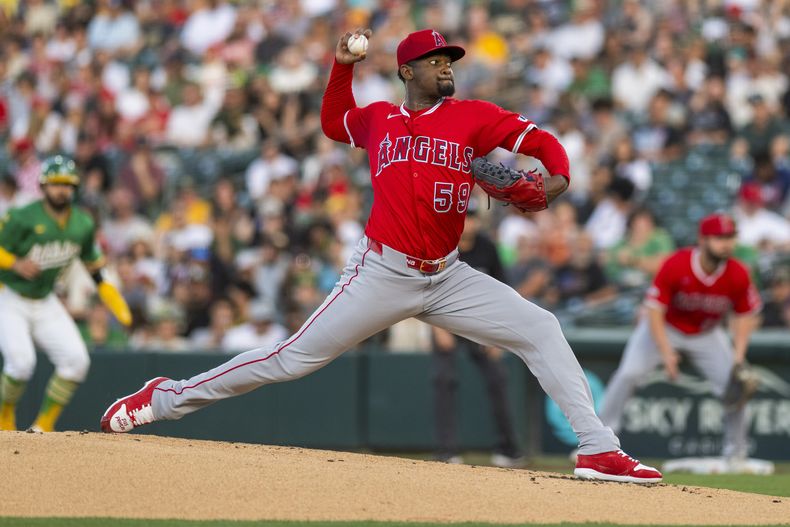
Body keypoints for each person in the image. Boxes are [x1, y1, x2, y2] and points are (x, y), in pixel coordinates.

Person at [100, 29, 661, 484]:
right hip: (381, 270)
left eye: (449, 59)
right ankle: (165, 398)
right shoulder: (377, 120)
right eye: (435, 60)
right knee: (291, 359)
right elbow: (330, 121)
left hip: (447, 277)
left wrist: (557, 182)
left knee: (540, 326)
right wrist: (341, 66)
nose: (446, 67)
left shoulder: (472, 117)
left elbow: (542, 143)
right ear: (407, 71)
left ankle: (597, 449)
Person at [599, 213, 762, 464]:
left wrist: (738, 357)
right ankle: (598, 443)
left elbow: (745, 316)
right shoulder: (678, 263)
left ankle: (737, 453)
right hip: (665, 327)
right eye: (719, 237)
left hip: (707, 333)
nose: (726, 243)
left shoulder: (738, 273)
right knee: (628, 374)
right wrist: (666, 353)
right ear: (702, 239)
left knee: (736, 385)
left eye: (730, 237)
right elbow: (654, 310)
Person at [0, 156, 132, 432]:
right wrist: (14, 263)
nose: (61, 190)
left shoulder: (82, 223)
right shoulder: (23, 216)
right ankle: (4, 419)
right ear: (43, 185)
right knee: (21, 363)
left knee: (76, 361)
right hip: (10, 295)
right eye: (56, 184)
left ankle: (42, 427)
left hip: (45, 299)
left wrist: (113, 298)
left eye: (67, 184)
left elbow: (95, 268)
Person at [432, 201, 522, 467]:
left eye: (472, 218)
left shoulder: (487, 247)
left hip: (479, 324)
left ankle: (508, 449)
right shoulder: (443, 244)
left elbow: (503, 292)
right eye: (464, 217)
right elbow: (426, 289)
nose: (468, 222)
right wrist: (438, 328)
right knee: (443, 379)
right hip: (445, 319)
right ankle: (446, 451)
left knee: (497, 378)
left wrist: (498, 336)